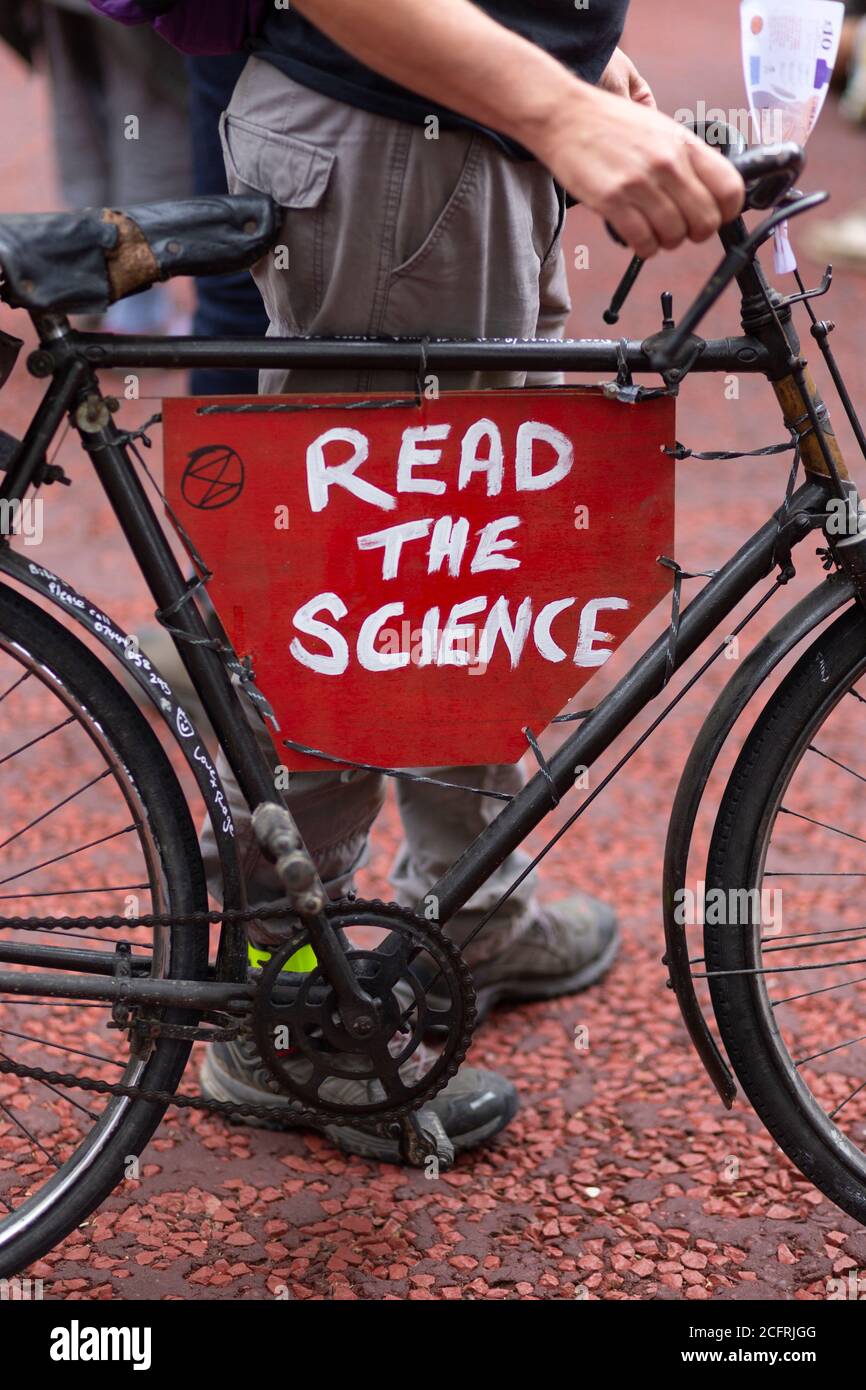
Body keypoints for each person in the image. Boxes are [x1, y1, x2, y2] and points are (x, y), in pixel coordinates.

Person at [189, 0, 745, 1163]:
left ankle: (464, 909)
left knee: (469, 550)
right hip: (398, 129)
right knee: (362, 581)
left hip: (446, 119)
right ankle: (292, 1002)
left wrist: (565, 60)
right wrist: (551, 95)